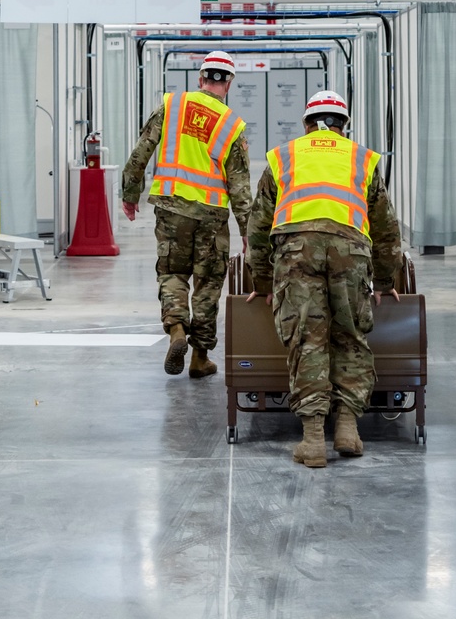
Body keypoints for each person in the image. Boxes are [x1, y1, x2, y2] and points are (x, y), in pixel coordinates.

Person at [246, 89, 404, 469]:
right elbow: (386, 228)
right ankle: (348, 427)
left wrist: (263, 283)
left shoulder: (283, 156)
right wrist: (384, 281)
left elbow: (258, 225)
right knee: (349, 333)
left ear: (306, 124)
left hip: (296, 251)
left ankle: (314, 438)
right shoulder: (362, 159)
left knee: (308, 337)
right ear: (343, 126)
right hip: (351, 250)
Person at [122, 50, 251, 379]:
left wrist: (130, 194)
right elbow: (240, 187)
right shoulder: (232, 126)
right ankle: (199, 358)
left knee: (172, 274)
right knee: (207, 285)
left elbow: (141, 150)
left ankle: (177, 328)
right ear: (230, 83)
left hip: (170, 208)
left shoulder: (172, 106)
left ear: (201, 78)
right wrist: (249, 233)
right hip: (211, 215)